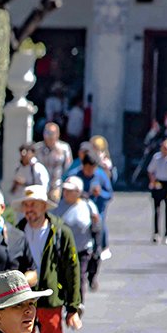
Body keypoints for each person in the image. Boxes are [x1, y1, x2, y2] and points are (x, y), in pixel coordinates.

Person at [15, 186, 82, 333]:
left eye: (34, 204)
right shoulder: (17, 232)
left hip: (50, 299)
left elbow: (72, 270)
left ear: (44, 206)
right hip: (23, 300)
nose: (29, 209)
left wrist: (73, 307)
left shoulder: (61, 232)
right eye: (26, 205)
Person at [65, 151, 113, 290]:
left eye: (92, 169)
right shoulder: (74, 176)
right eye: (87, 169)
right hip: (79, 219)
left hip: (96, 217)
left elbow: (109, 194)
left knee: (96, 250)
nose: (90, 172)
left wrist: (100, 193)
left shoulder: (100, 175)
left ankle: (93, 275)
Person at [51, 177, 99, 302]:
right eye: (65, 190)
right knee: (63, 278)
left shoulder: (87, 205)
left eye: (70, 190)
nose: (66, 193)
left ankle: (78, 303)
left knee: (79, 276)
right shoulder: (57, 207)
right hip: (62, 250)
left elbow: (97, 226)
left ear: (78, 192)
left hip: (82, 249)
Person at [35, 123, 74, 200]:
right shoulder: (37, 148)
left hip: (57, 186)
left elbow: (68, 168)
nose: (50, 136)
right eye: (47, 133)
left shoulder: (64, 148)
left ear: (57, 134)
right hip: (41, 186)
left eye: (52, 133)